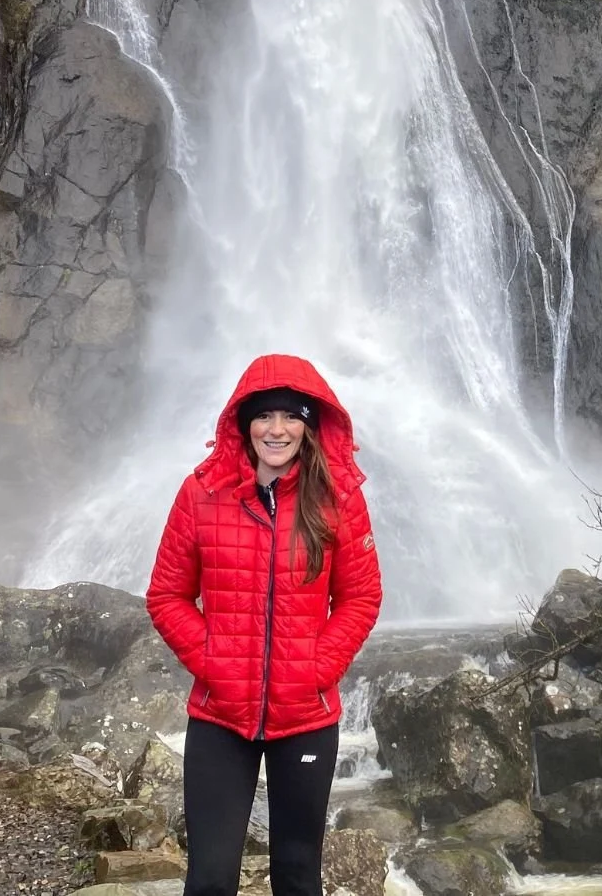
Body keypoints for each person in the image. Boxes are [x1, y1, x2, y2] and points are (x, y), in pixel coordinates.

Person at [146, 353, 383, 896]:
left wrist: (314, 670)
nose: (277, 429)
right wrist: (214, 664)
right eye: (264, 416)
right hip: (219, 716)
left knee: (298, 877)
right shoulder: (201, 494)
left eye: (291, 416)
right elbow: (165, 595)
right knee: (209, 879)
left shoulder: (338, 499)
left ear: (309, 424)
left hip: (305, 716)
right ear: (243, 423)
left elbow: (362, 597)